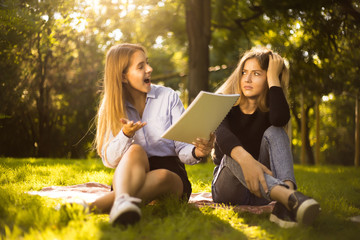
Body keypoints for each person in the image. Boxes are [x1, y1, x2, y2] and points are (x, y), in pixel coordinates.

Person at [91, 43, 214, 226]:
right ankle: (123, 202)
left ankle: (91, 207)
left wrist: (197, 152)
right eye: (141, 66)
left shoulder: (169, 97)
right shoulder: (113, 106)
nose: (149, 69)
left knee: (163, 175)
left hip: (171, 176)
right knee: (134, 150)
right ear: (124, 77)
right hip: (130, 175)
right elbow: (109, 160)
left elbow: (182, 147)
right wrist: (125, 135)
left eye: (147, 63)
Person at [211, 46, 320, 228]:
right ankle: (289, 197)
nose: (247, 78)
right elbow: (223, 138)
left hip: (261, 192)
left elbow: (279, 119)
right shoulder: (224, 103)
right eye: (244, 72)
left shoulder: (272, 110)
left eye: (256, 74)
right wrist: (246, 160)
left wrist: (273, 79)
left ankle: (285, 205)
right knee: (233, 153)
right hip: (229, 190)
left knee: (276, 131)